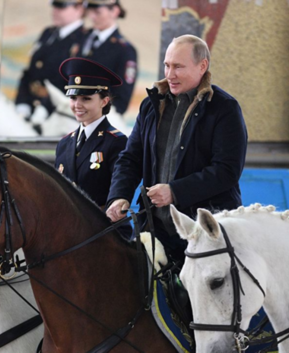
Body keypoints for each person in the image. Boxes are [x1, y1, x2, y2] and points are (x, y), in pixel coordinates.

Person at [105, 35, 247, 263]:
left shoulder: (224, 108)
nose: (170, 74)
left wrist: (175, 191)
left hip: (206, 234)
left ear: (203, 66)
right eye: (167, 65)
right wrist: (119, 196)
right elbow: (130, 158)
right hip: (155, 230)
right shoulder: (151, 105)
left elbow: (227, 171)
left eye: (178, 67)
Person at [54, 57, 131, 239]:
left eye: (86, 99)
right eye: (73, 98)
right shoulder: (64, 144)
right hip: (66, 235)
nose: (77, 105)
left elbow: (122, 192)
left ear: (104, 101)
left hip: (102, 235)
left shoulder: (117, 142)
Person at [14, 0, 87, 121]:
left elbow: (76, 82)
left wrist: (45, 107)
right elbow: (31, 72)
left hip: (59, 115)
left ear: (79, 9)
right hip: (31, 109)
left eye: (61, 7)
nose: (55, 11)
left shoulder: (84, 39)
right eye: (54, 6)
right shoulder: (48, 34)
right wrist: (22, 102)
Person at [76, 0, 136, 115]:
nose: (92, 17)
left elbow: (122, 98)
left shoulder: (124, 50)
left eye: (98, 12)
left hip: (100, 115)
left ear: (114, 11)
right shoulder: (82, 38)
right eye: (90, 11)